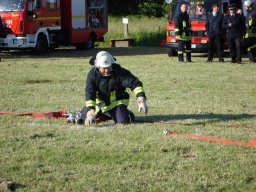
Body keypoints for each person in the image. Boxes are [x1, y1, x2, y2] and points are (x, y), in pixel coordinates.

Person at [75, 51, 148, 125]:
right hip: (100, 104)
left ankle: (128, 114)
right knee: (81, 118)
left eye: (108, 67)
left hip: (117, 103)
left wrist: (141, 100)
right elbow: (90, 93)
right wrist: (90, 112)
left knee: (123, 121)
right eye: (104, 68)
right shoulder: (92, 75)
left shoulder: (120, 72)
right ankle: (105, 115)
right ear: (98, 66)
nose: (106, 71)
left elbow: (135, 83)